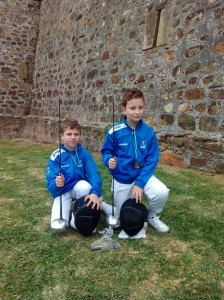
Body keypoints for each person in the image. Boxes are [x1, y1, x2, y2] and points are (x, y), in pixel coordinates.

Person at [101, 88, 170, 235]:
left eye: (140, 107)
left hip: (142, 177)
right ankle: (102, 205)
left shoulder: (148, 132)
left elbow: (152, 159)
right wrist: (108, 161)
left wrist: (139, 183)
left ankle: (151, 216)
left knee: (161, 191)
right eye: (133, 108)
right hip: (122, 178)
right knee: (119, 222)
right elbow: (106, 151)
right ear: (124, 110)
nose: (137, 112)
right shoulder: (114, 131)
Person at [46, 119, 102, 232]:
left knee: (86, 187)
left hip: (79, 188)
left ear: (80, 135)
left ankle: (77, 216)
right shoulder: (56, 156)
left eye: (76, 134)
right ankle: (65, 217)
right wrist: (56, 183)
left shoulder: (85, 153)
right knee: (58, 226)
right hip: (62, 192)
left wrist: (95, 193)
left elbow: (94, 174)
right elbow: (50, 185)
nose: (73, 137)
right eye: (69, 134)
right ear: (61, 136)